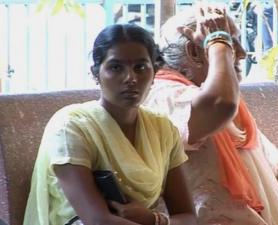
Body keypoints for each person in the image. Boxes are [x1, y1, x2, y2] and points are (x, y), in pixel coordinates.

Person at [143, 4, 278, 225]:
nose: (241, 52)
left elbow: (276, 180)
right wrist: (218, 41)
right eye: (231, 42)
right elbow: (220, 104)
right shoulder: (164, 97)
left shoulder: (228, 103)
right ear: (194, 52)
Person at [23, 24, 196, 225]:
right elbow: (98, 221)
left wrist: (153, 219)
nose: (131, 78)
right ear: (96, 73)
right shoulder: (71, 127)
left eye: (140, 67)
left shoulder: (163, 129)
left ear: (154, 71)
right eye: (116, 67)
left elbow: (188, 217)